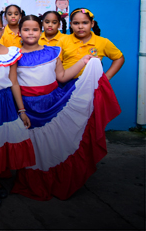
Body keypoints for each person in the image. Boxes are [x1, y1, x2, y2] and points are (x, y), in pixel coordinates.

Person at [11, 15, 121, 200]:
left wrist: (83, 62)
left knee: (53, 145)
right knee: (34, 147)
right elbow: (13, 82)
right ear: (19, 32)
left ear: (42, 31)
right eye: (26, 29)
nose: (31, 33)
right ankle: (34, 182)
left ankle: (56, 181)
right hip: (29, 108)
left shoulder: (54, 51)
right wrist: (21, 110)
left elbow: (62, 77)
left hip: (53, 104)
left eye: (35, 29)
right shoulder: (14, 55)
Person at [0, 13, 35, 198]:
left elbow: (14, 82)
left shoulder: (11, 52)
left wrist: (22, 111)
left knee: (4, 137)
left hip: (6, 102)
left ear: (3, 29)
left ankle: (1, 173)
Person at [58, 8, 124, 79]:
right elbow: (56, 64)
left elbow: (119, 58)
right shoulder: (63, 40)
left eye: (85, 23)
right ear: (71, 24)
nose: (80, 27)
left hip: (91, 86)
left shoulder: (103, 42)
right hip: (65, 85)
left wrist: (106, 78)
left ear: (92, 23)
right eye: (76, 23)